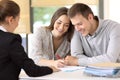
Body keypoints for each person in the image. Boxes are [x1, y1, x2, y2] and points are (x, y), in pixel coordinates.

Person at [0, 0, 59, 80]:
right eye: (18, 19)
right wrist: (51, 69)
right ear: (11, 20)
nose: (18, 24)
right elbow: (32, 70)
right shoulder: (11, 40)